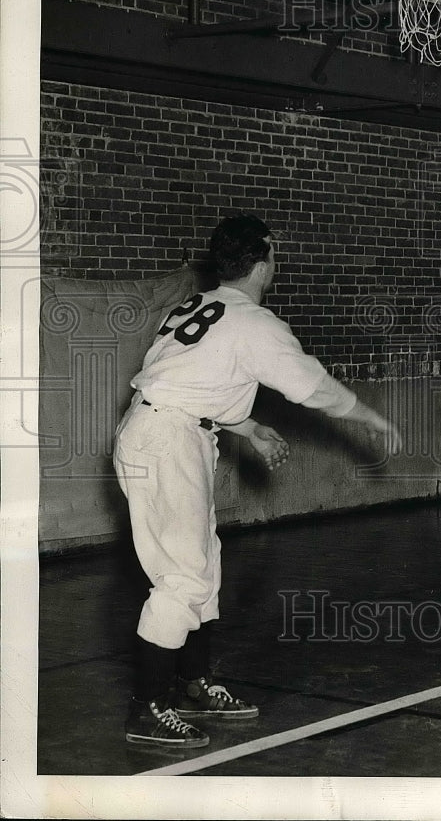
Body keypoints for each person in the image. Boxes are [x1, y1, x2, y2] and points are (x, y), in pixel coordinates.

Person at [114, 213, 402, 748]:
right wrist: (370, 417)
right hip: (166, 441)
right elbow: (313, 388)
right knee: (183, 577)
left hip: (166, 432)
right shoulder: (253, 321)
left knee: (204, 564)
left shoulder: (198, 306)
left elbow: (187, 384)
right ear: (265, 259)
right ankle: (147, 709)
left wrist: (248, 428)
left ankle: (194, 685)